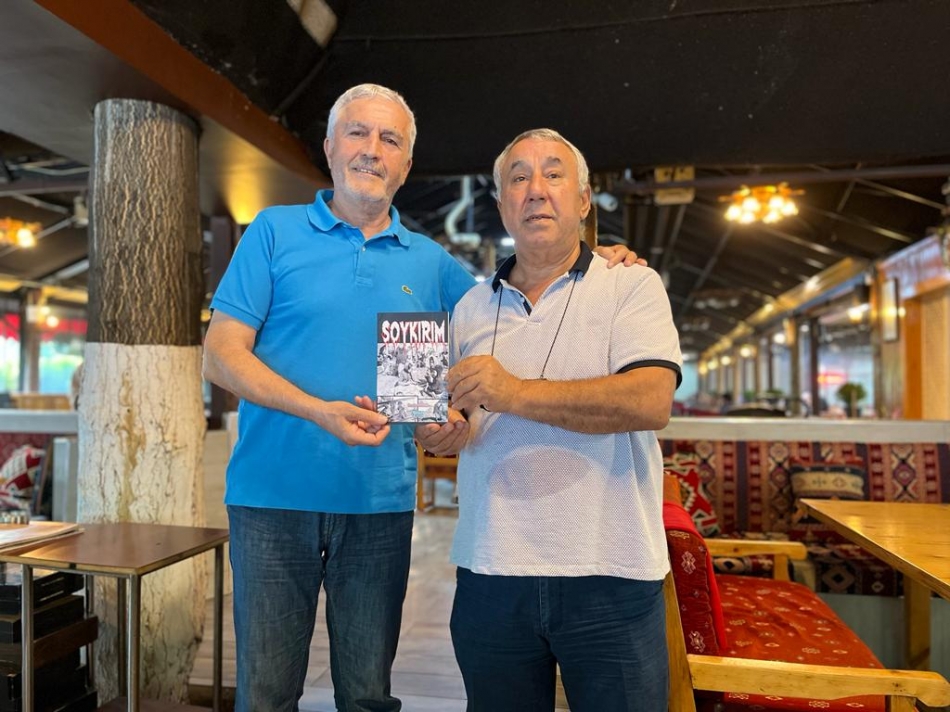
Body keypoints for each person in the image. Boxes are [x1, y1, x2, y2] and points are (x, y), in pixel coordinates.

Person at [203, 84, 642, 712]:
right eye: (358, 133)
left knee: (367, 695)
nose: (372, 150)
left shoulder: (431, 264)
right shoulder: (273, 232)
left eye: (390, 140)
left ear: (406, 165)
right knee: (267, 694)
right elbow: (221, 355)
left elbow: (512, 310)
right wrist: (318, 411)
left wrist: (595, 263)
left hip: (379, 507)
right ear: (329, 147)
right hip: (271, 500)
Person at [418, 128, 682, 711]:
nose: (536, 189)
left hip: (611, 571)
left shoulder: (631, 284)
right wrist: (439, 434)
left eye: (553, 174)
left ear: (583, 200)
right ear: (501, 205)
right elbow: (451, 423)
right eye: (519, 178)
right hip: (489, 570)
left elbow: (650, 401)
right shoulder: (469, 307)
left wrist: (513, 392)